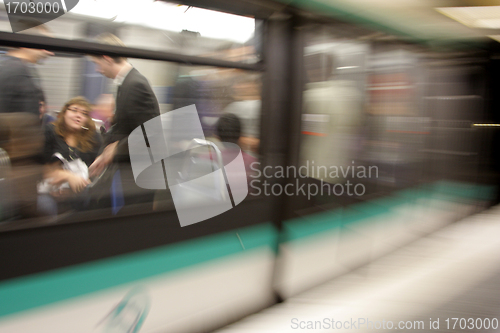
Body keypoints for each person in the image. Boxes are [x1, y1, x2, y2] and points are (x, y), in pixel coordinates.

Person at [88, 33, 160, 209]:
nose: (98, 69)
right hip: (133, 167)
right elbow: (125, 126)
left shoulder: (135, 84)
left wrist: (116, 149)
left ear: (107, 59)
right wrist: (104, 153)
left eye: (97, 64)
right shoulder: (125, 83)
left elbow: (150, 133)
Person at [38, 97, 102, 215]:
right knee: (45, 206)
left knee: (91, 199)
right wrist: (66, 176)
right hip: (50, 188)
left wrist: (79, 185)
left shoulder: (93, 138)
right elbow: (41, 166)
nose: (79, 115)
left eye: (84, 113)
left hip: (79, 190)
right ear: (64, 112)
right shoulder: (50, 131)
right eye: (74, 110)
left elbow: (95, 172)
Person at [0, 23, 53, 115]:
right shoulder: (16, 71)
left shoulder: (23, 69)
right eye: (45, 43)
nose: (49, 52)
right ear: (26, 41)